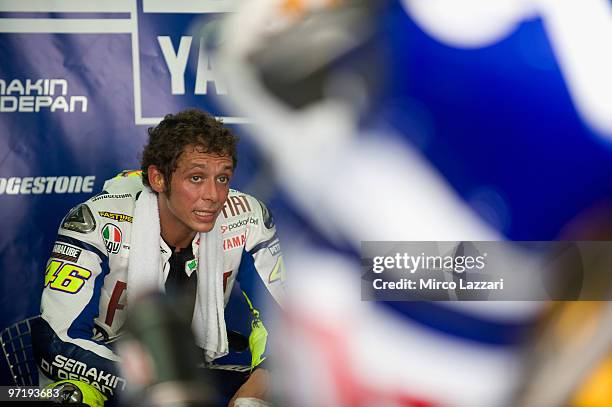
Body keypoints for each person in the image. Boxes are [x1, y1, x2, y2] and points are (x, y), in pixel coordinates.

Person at [32, 109, 285, 406]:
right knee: (64, 399)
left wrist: (257, 388)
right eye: (196, 177)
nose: (213, 195)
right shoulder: (98, 223)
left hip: (192, 370)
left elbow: (284, 319)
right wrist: (156, 387)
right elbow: (55, 342)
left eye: (223, 178)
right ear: (158, 178)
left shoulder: (246, 217)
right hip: (101, 373)